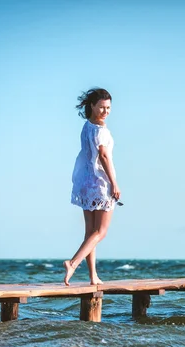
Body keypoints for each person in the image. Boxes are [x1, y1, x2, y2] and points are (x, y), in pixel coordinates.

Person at [63, 88, 121, 286]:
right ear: (92, 106)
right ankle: (73, 263)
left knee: (90, 233)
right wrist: (114, 183)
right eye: (102, 107)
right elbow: (104, 156)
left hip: (86, 182)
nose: (105, 111)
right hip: (100, 183)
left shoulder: (87, 127)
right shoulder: (101, 131)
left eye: (108, 108)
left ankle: (93, 276)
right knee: (101, 232)